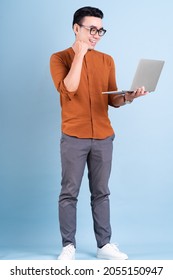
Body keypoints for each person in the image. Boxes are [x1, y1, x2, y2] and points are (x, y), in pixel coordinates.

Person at [50, 6, 148, 260]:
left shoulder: (107, 60)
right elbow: (68, 88)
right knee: (69, 191)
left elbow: (113, 99)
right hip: (74, 136)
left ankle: (104, 245)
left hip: (103, 136)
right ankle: (68, 246)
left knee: (101, 191)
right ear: (76, 29)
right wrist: (80, 55)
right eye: (91, 29)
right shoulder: (59, 58)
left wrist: (130, 96)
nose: (96, 35)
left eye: (100, 30)